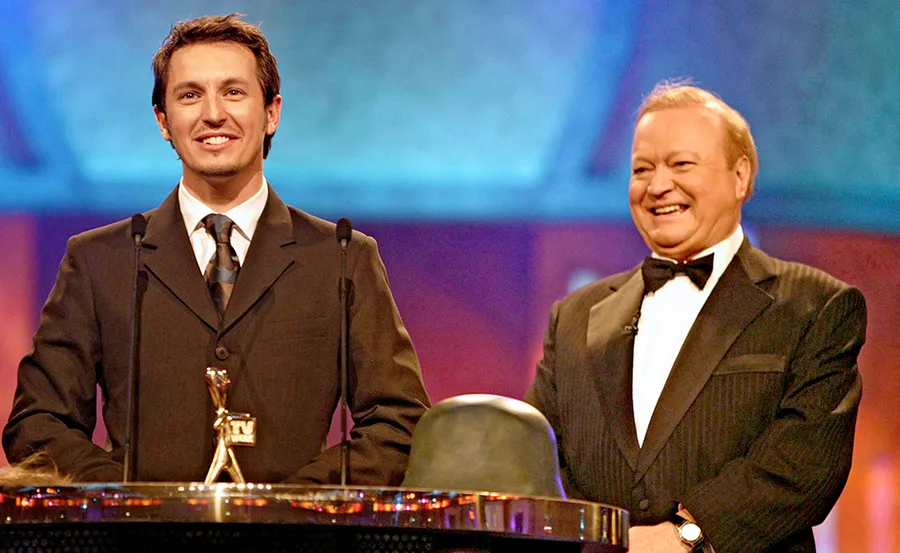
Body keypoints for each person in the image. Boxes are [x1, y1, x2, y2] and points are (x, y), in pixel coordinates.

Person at [3, 14, 430, 485]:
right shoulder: (100, 260)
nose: (212, 114)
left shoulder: (342, 257)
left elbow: (399, 421)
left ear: (272, 113)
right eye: (190, 95)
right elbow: (38, 426)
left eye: (233, 91)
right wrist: (135, 506)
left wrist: (292, 508)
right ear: (164, 121)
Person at [525, 82, 865, 552]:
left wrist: (686, 535)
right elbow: (540, 456)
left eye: (681, 164)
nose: (658, 185)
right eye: (642, 168)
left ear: (740, 176)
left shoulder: (816, 305)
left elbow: (804, 463)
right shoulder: (575, 316)